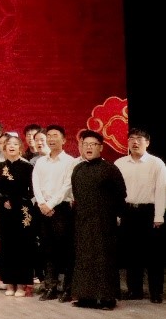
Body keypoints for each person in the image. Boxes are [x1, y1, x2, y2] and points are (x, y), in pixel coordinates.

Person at [70, 130, 127, 309]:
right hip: (83, 222)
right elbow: (76, 194)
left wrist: (117, 216)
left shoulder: (110, 169)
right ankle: (85, 296)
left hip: (104, 222)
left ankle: (107, 298)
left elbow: (121, 194)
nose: (88, 147)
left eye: (93, 144)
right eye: (85, 144)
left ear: (100, 147)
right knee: (84, 258)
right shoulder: (78, 169)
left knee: (104, 259)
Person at [115, 128, 166, 303]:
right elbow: (116, 192)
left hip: (149, 212)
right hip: (127, 211)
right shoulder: (120, 163)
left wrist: (159, 216)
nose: (135, 142)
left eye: (139, 139)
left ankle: (156, 292)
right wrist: (117, 213)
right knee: (131, 252)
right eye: (131, 138)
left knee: (154, 255)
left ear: (147, 142)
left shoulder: (156, 163)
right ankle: (134, 290)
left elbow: (161, 190)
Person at [33, 124, 76, 301]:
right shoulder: (41, 161)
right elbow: (35, 182)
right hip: (43, 209)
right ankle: (50, 286)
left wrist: (50, 204)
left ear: (64, 140)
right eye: (49, 136)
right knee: (47, 249)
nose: (51, 139)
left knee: (65, 250)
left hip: (62, 209)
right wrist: (42, 203)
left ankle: (68, 288)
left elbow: (67, 186)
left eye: (55, 135)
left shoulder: (70, 161)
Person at [0, 134, 36, 297]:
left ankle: (22, 284)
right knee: (7, 245)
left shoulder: (27, 167)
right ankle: (9, 283)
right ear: (4, 148)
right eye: (8, 144)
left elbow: (32, 190)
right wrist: (3, 200)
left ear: (20, 148)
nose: (11, 146)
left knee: (23, 246)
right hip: (5, 210)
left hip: (23, 210)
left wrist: (17, 201)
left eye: (15, 144)